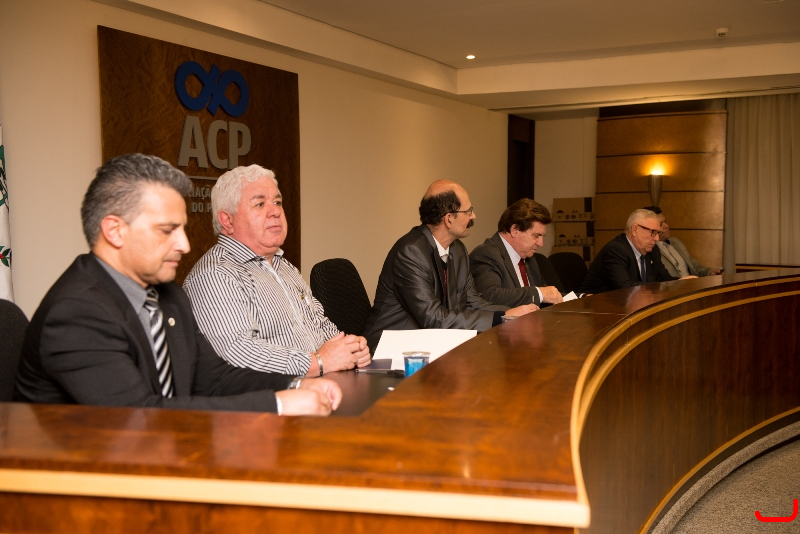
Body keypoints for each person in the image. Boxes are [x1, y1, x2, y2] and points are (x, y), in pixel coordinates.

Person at [14, 154, 340, 416]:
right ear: (115, 231)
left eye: (182, 229)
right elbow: (138, 417)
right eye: (167, 230)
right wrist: (279, 404)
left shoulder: (168, 294)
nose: (184, 245)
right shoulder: (77, 311)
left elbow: (214, 378)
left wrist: (296, 386)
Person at [183, 165, 370, 377]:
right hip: (273, 395)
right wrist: (318, 362)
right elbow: (237, 354)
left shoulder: (285, 266)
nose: (275, 211)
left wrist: (349, 348)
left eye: (277, 202)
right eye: (260, 204)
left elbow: (319, 324)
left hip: (322, 384)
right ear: (227, 220)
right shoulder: (215, 274)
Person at [361, 180, 538, 352]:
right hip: (389, 350)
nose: (473, 216)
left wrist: (512, 313)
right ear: (449, 219)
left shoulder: (458, 250)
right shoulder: (411, 252)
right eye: (468, 211)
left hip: (430, 343)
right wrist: (503, 317)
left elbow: (473, 302)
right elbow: (434, 318)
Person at [470, 198, 564, 307]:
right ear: (515, 230)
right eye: (536, 236)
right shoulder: (486, 254)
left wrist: (578, 298)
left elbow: (547, 297)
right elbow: (490, 295)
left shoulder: (529, 258)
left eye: (542, 236)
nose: (541, 243)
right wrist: (539, 293)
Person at [579, 208, 695, 294]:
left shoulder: (653, 250)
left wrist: (681, 282)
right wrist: (665, 286)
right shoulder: (615, 250)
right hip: (597, 309)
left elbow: (664, 278)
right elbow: (625, 287)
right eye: (653, 232)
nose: (657, 238)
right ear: (635, 230)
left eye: (658, 233)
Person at [644, 206, 722, 277]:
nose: (666, 226)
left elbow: (694, 266)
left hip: (692, 284)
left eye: (665, 221)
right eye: (661, 224)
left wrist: (709, 272)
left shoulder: (676, 242)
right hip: (673, 286)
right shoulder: (650, 249)